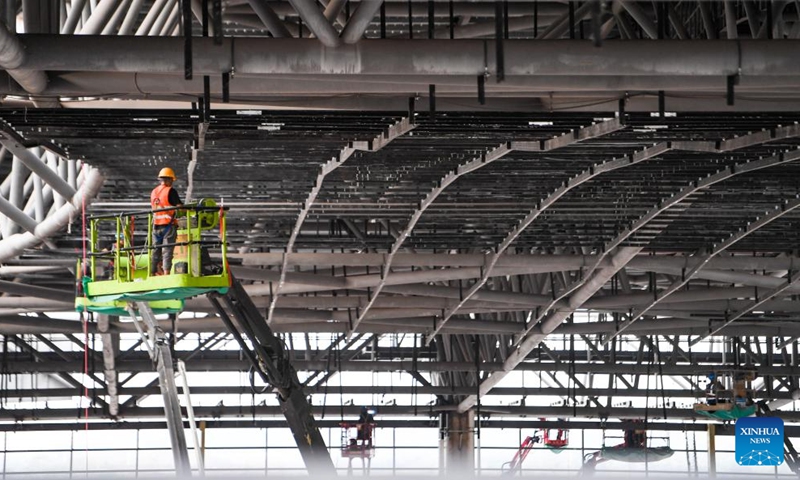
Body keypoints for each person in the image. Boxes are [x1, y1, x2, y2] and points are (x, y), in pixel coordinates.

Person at [150, 167, 182, 276]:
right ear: (168, 179)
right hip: (168, 226)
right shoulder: (170, 191)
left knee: (155, 250)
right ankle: (166, 273)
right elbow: (180, 207)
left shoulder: (154, 191)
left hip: (156, 226)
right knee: (167, 250)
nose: (172, 182)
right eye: (172, 180)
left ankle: (152, 273)